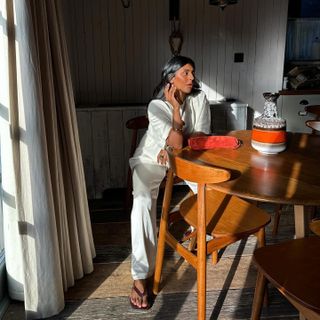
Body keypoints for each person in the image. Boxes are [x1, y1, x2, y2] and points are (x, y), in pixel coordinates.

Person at [129, 55, 211, 309]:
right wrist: (175, 110)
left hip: (184, 159)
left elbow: (196, 138)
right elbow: (175, 141)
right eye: (185, 73)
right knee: (142, 202)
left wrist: (175, 148)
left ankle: (202, 232)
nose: (192, 78)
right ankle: (140, 275)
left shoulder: (200, 99)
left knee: (209, 187)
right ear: (170, 77)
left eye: (193, 73)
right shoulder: (156, 106)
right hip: (151, 158)